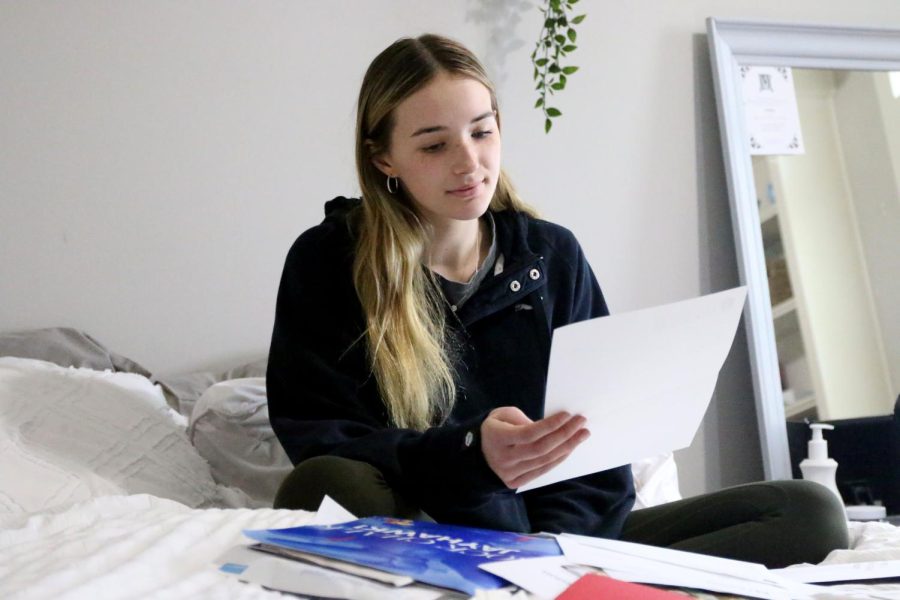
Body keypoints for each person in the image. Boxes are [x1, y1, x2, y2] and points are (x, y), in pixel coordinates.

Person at [266, 33, 848, 569]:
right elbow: (322, 435)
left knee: (808, 512)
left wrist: (555, 553)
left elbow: (599, 439)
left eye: (481, 130)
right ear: (383, 158)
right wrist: (472, 456)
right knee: (325, 483)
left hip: (564, 544)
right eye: (435, 144)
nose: (469, 162)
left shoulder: (550, 255)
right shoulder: (330, 261)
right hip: (430, 531)